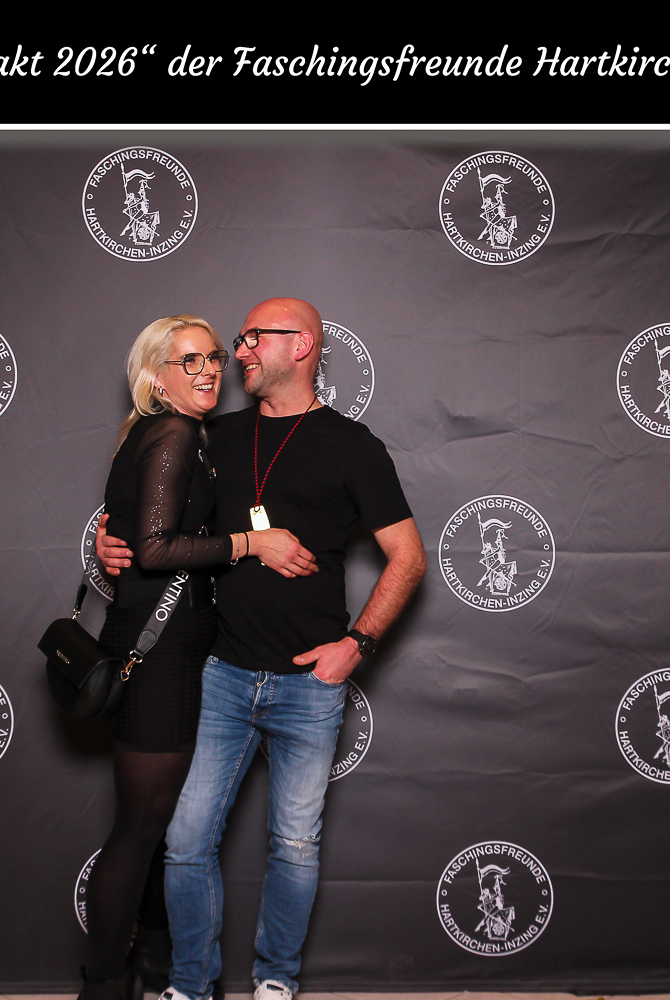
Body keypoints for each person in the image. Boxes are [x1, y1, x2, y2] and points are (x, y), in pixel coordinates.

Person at [96, 298, 427, 1000]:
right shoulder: (211, 434)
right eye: (235, 341)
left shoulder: (353, 446)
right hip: (218, 671)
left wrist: (356, 645)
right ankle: (191, 985)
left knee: (295, 845)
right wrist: (110, 535)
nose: (237, 352)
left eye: (251, 339)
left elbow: (408, 557)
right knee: (185, 842)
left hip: (309, 682)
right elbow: (157, 512)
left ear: (301, 345)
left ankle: (277, 980)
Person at [78, 315, 316, 1000]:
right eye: (188, 361)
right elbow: (155, 549)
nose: (209, 369)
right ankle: (102, 988)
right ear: (157, 377)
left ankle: (161, 972)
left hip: (170, 646)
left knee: (157, 832)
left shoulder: (168, 433)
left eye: (212, 356)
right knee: (138, 832)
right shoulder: (174, 433)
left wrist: (113, 537)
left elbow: (137, 533)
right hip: (161, 654)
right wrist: (252, 543)